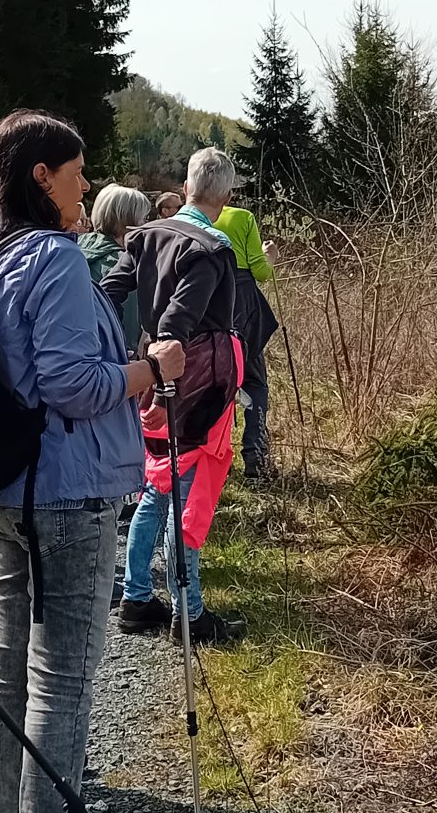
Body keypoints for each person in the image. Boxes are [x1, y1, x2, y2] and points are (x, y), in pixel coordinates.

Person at [0, 110, 184, 813]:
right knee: (62, 680)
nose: (84, 195)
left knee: (4, 669)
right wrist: (150, 370)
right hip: (67, 493)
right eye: (77, 180)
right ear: (40, 176)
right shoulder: (50, 256)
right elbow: (74, 385)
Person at [103, 147, 247, 645]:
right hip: (196, 381)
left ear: (185, 188)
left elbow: (107, 293)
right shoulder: (212, 248)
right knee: (192, 490)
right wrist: (167, 370)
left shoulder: (145, 236)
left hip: (151, 373)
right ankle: (190, 611)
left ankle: (138, 598)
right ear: (225, 197)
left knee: (158, 482)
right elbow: (178, 322)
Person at [213, 205, 279, 480]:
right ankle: (255, 456)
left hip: (210, 301)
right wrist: (270, 256)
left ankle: (216, 457)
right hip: (243, 305)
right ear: (227, 192)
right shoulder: (242, 217)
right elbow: (261, 272)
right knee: (254, 381)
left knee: (216, 382)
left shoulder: (191, 216)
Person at [80, 184, 150, 355]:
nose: (147, 225)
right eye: (144, 218)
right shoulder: (123, 267)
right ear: (128, 222)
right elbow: (129, 331)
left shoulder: (75, 248)